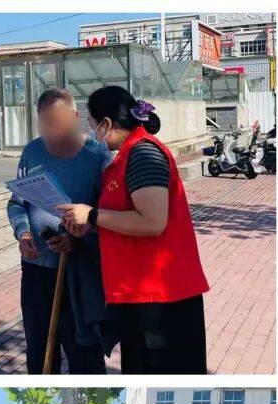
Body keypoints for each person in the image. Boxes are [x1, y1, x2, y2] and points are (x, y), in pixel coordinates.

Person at [57, 86, 209, 374]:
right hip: (142, 294)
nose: (92, 132)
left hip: (162, 300)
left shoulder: (143, 154)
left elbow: (152, 222)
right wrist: (89, 226)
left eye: (92, 124)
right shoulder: (126, 157)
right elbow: (125, 219)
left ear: (106, 123)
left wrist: (93, 214)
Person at [7, 88, 115, 374]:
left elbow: (108, 214)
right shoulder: (32, 152)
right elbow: (17, 203)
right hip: (36, 270)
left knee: (84, 353)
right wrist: (24, 234)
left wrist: (78, 239)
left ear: (76, 116)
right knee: (39, 350)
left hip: (78, 273)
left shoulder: (97, 154)